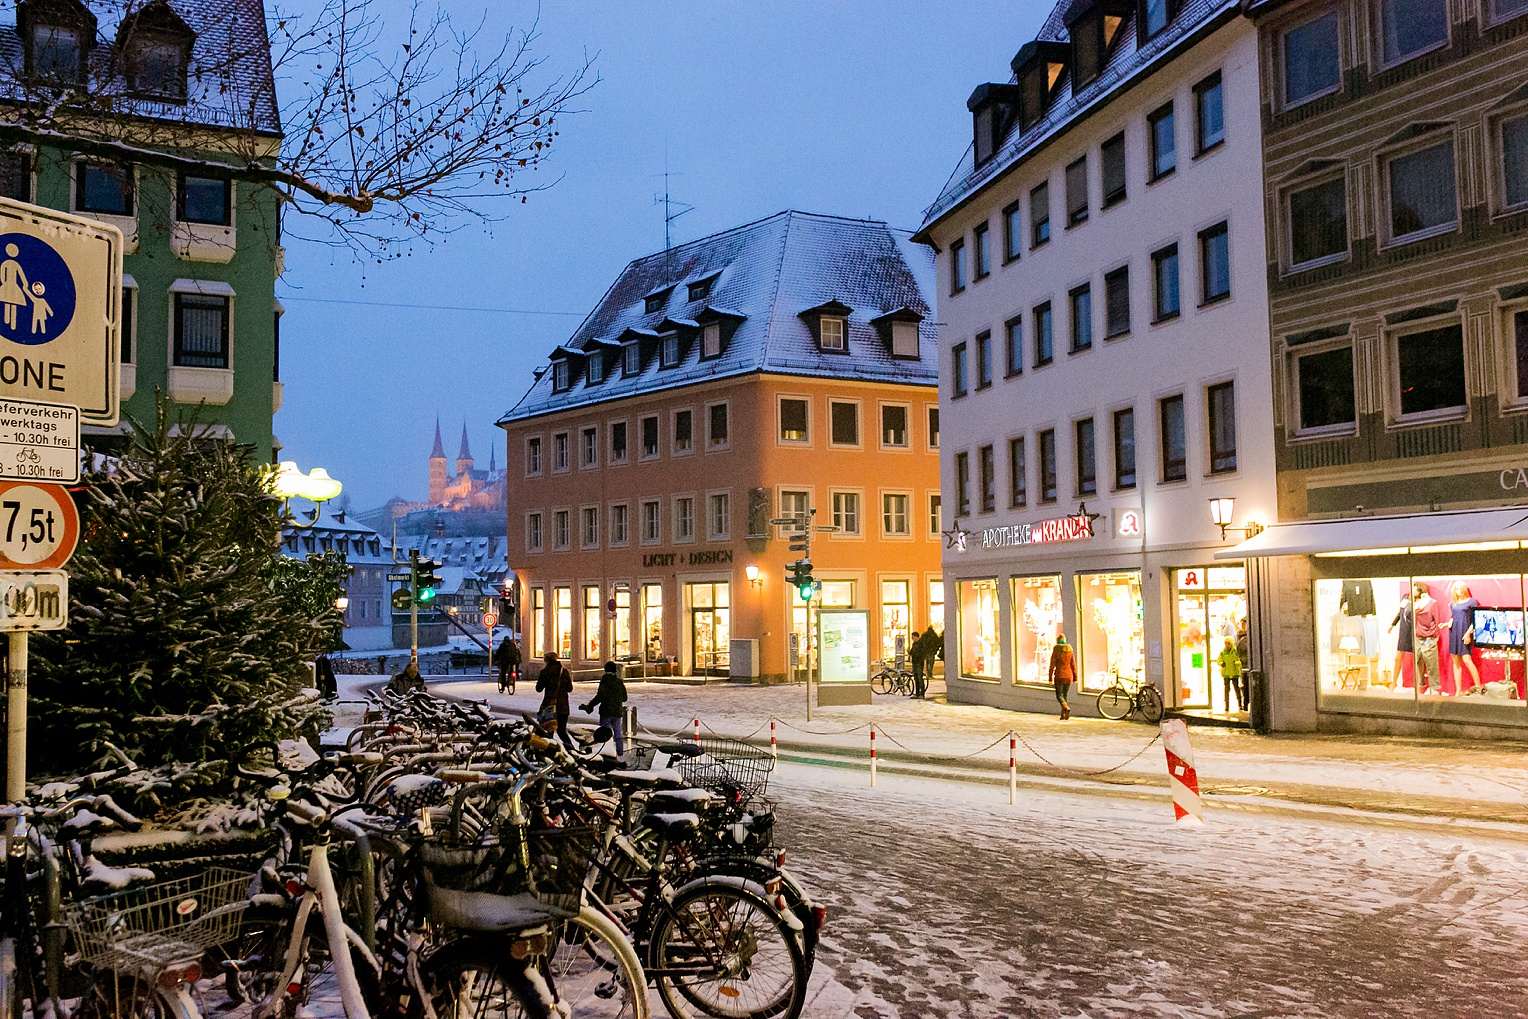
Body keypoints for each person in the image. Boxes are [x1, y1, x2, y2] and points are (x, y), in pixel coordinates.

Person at [582, 661, 629, 757]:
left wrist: (591, 705)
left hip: (606, 711)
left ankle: (605, 751)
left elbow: (600, 696)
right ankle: (620, 751)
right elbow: (625, 698)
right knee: (617, 732)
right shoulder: (619, 682)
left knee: (604, 733)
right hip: (617, 711)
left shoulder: (605, 681)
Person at [1443, 581, 1481, 696]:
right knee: (1456, 662)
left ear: (1464, 589)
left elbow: (1476, 619)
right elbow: (1453, 617)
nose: (1458, 591)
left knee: (1467, 660)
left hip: (1465, 632)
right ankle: (1458, 690)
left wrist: (1469, 633)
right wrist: (1447, 623)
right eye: (1456, 589)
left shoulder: (1472, 602)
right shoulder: (1453, 604)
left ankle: (1478, 687)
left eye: (1460, 588)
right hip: (1454, 632)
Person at [536, 652, 574, 748]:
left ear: (546, 660)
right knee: (561, 731)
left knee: (548, 731)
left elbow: (538, 688)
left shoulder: (545, 672)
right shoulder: (564, 671)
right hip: (563, 706)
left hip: (549, 706)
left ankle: (549, 752)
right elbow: (569, 688)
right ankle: (571, 749)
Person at [1412, 582, 1444, 695]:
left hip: (1429, 637)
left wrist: (1435, 636)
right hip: (1418, 636)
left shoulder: (1432, 603)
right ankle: (1421, 686)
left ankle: (1434, 688)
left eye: (1415, 589)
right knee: (1418, 662)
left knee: (1431, 664)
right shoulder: (1415, 603)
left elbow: (1436, 619)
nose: (1412, 591)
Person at [1048, 634, 1076, 720]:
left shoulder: (1056, 651)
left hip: (1059, 675)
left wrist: (1050, 677)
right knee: (1065, 695)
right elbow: (1073, 665)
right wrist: (1075, 677)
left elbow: (1052, 665)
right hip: (1068, 676)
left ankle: (1066, 708)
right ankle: (1063, 715)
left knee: (1059, 695)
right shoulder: (1069, 651)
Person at [911, 626, 939, 699]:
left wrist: (920, 658)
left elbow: (922, 652)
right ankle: (917, 693)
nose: (912, 639)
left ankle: (922, 693)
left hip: (919, 662)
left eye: (913, 637)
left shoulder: (921, 643)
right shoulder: (914, 644)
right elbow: (912, 652)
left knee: (920, 678)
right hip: (915, 662)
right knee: (916, 678)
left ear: (916, 637)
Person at [1218, 637, 1242, 712]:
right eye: (1226, 643)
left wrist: (1237, 663)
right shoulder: (1223, 652)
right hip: (1226, 673)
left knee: (1236, 688)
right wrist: (1221, 663)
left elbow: (1240, 660)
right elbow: (1219, 660)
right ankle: (1227, 705)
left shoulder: (1235, 652)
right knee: (1226, 690)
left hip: (1234, 673)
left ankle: (1240, 704)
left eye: (1228, 643)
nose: (1227, 645)